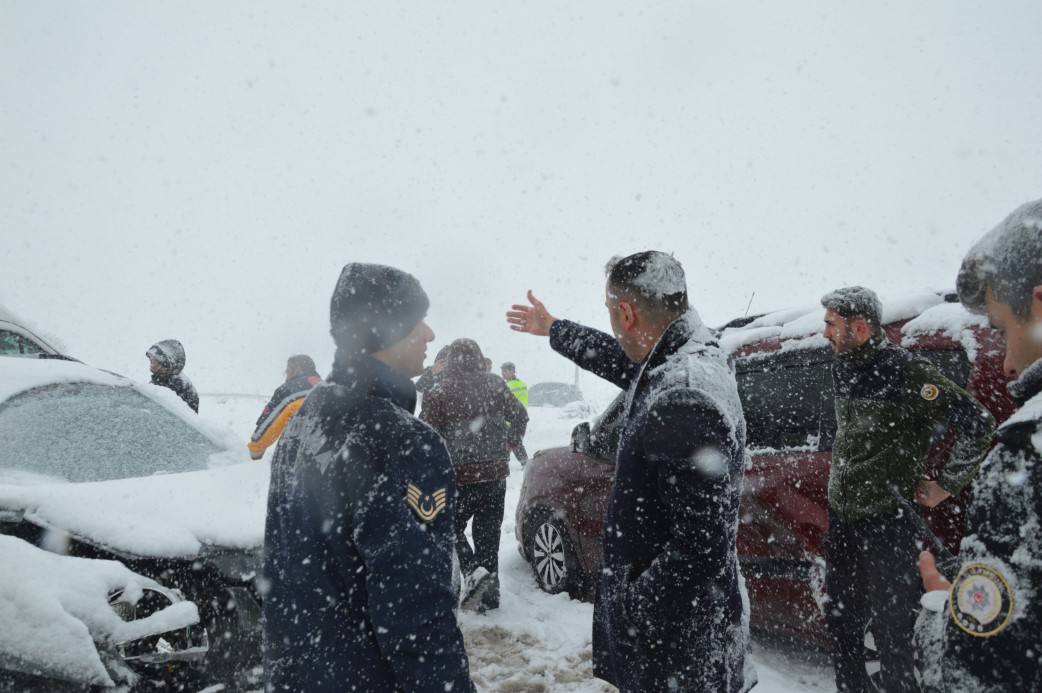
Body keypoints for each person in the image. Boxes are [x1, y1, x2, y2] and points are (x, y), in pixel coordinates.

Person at [506, 251, 753, 692]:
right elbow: (621, 361)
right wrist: (556, 329)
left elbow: (700, 547)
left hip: (676, 647)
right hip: (689, 632)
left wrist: (634, 608)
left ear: (626, 313)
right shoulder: (690, 357)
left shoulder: (683, 396)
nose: (611, 321)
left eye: (609, 310)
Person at [262, 263, 474, 693]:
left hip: (301, 673)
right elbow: (416, 612)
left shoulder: (308, 414)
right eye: (416, 321)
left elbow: (287, 565)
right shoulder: (404, 440)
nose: (430, 333)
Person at [819, 286, 995, 693]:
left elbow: (978, 423)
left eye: (831, 324)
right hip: (843, 519)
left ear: (860, 328)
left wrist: (945, 485)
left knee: (891, 631)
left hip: (887, 522)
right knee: (843, 623)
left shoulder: (907, 373)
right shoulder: (842, 365)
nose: (824, 333)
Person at [917, 198, 1042, 691]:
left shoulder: (1027, 452)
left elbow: (979, 670)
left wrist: (943, 607)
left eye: (1001, 328)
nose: (1006, 363)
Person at [420, 338, 528, 613]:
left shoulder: (439, 391)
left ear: (450, 361)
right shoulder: (495, 384)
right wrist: (512, 440)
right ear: (479, 357)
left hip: (458, 478)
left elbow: (426, 434)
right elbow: (520, 414)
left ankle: (471, 572)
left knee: (449, 528)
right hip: (494, 476)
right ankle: (489, 597)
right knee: (488, 537)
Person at [247, 355, 322, 460]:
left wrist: (256, 448)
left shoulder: (287, 390)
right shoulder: (331, 388)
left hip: (300, 457)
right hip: (333, 456)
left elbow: (269, 422)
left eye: (288, 372)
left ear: (297, 369)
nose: (286, 377)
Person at [146, 338, 199, 412]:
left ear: (164, 362)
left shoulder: (178, 386)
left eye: (154, 357)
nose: (150, 359)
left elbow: (179, 416)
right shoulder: (160, 380)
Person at [500, 361, 530, 465]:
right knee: (510, 443)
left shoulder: (507, 386)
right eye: (502, 371)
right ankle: (504, 462)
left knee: (514, 443)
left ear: (512, 371)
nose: (502, 373)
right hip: (522, 418)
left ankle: (525, 463)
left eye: (505, 371)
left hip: (511, 420)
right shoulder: (522, 384)